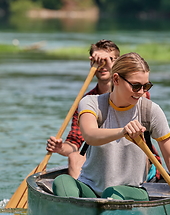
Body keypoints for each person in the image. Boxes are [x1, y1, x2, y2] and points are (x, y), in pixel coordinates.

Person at [52, 52, 170, 215]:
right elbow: (90, 136)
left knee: (112, 194)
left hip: (131, 192)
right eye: (136, 86)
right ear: (116, 80)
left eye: (146, 86)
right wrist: (123, 132)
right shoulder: (91, 103)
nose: (141, 92)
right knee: (62, 181)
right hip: (90, 191)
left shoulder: (150, 111)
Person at [46, 39, 120, 179]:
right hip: (100, 159)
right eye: (99, 61)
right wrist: (60, 148)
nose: (103, 65)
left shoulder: (133, 91)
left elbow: (119, 96)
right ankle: (84, 199)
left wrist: (113, 68)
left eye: (109, 60)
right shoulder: (86, 101)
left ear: (118, 63)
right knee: (74, 157)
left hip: (129, 157)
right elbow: (74, 143)